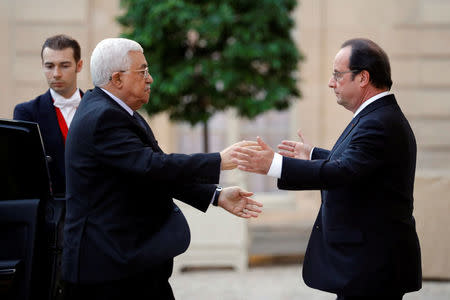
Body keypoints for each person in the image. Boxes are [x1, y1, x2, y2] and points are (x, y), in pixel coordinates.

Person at [62, 37, 262, 300]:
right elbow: (152, 167)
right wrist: (217, 160)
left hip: (127, 264)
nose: (150, 79)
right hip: (110, 268)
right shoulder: (104, 117)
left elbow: (155, 171)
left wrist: (216, 195)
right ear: (117, 79)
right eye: (143, 71)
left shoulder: (115, 111)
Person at [231, 38, 422, 300]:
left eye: (337, 75)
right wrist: (311, 155)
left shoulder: (378, 122)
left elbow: (344, 172)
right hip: (369, 264)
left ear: (363, 77)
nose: (331, 83)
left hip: (372, 267)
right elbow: (358, 165)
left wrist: (274, 165)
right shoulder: (377, 116)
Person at [13, 34, 84, 197]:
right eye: (49, 66)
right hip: (51, 211)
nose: (56, 73)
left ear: (79, 66)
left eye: (64, 65)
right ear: (42, 66)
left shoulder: (99, 109)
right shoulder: (27, 112)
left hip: (95, 210)